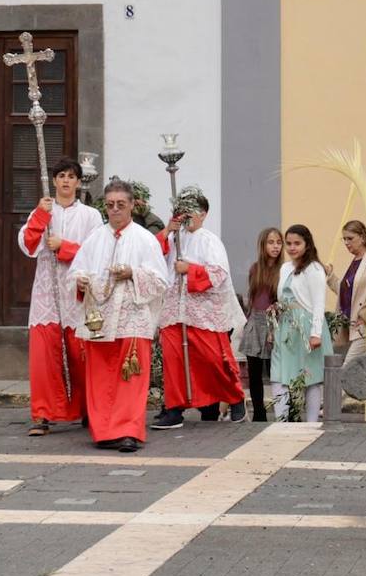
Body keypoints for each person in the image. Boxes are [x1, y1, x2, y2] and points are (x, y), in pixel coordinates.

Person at [66, 179, 169, 453]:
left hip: (133, 318)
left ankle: (128, 431)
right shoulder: (94, 238)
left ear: (132, 205)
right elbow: (75, 272)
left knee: (130, 377)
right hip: (99, 320)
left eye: (120, 204)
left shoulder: (145, 239)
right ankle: (104, 431)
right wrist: (80, 281)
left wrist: (133, 273)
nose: (115, 210)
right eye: (110, 205)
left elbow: (161, 280)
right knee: (100, 376)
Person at [18, 157, 104, 437]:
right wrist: (40, 217)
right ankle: (43, 414)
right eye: (61, 176)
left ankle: (87, 409)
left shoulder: (90, 215)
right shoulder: (43, 210)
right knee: (44, 357)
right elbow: (28, 245)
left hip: (76, 290)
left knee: (81, 355)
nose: (66, 181)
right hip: (47, 291)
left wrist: (64, 246)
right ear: (54, 181)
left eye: (71, 176)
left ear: (78, 182)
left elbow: (97, 253)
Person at [151, 190, 246, 429]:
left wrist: (190, 270)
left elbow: (218, 273)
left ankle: (235, 398)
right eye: (183, 211)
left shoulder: (209, 240)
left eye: (192, 211)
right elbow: (151, 253)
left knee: (212, 358)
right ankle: (174, 409)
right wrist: (168, 230)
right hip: (175, 307)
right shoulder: (174, 237)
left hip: (203, 309)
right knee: (174, 359)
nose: (187, 216)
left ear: (203, 214)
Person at [271, 224, 329, 422]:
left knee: (310, 376)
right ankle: (281, 420)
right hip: (286, 326)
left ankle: (312, 422)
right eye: (288, 243)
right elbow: (282, 297)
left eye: (297, 243)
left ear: (307, 244)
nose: (292, 247)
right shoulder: (285, 268)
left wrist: (316, 333)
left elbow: (319, 303)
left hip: (306, 326)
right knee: (279, 373)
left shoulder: (314, 269)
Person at [325, 220, 366, 362]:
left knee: (349, 366)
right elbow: (347, 292)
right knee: (365, 367)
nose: (346, 243)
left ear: (362, 237)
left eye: (350, 238)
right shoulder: (354, 262)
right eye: (344, 239)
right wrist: (330, 276)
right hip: (355, 324)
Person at [241, 227, 282, 422]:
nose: (275, 246)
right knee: (254, 372)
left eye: (279, 242)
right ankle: (259, 413)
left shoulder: (284, 270)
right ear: (263, 245)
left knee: (276, 371)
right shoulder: (255, 269)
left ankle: (283, 410)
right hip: (255, 322)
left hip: (275, 322)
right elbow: (253, 296)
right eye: (271, 242)